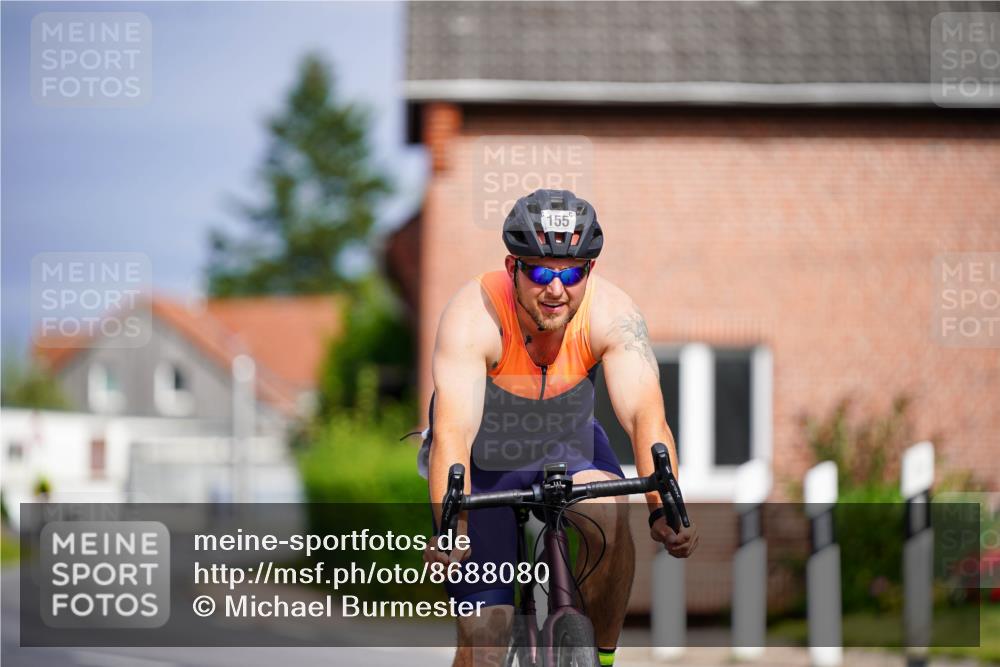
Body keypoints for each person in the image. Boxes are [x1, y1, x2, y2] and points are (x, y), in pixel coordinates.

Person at [420, 189, 698, 667]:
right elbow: (453, 433)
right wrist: (454, 527)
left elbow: (643, 415)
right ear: (512, 269)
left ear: (589, 271)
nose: (555, 289)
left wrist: (663, 507)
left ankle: (602, 659)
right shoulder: (474, 315)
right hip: (483, 455)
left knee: (611, 514)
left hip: (566, 440)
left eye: (571, 273)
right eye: (540, 271)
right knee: (487, 637)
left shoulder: (613, 313)